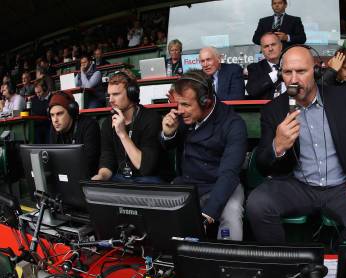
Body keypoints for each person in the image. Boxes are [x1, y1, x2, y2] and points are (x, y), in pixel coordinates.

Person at [246, 45, 346, 242]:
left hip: (343, 187)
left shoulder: (343, 98)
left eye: (301, 71)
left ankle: (334, 258)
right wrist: (277, 146)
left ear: (316, 70)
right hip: (297, 186)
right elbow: (262, 163)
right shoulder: (273, 110)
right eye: (287, 72)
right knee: (257, 204)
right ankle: (282, 266)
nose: (294, 79)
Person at [161, 71, 247, 240]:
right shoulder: (185, 118)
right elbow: (167, 145)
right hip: (188, 183)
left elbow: (229, 174)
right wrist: (168, 133)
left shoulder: (233, 124)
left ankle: (227, 261)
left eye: (186, 104)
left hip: (221, 184)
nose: (180, 111)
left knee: (232, 212)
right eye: (178, 104)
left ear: (205, 101)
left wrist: (207, 214)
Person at [92, 71, 170, 183]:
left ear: (131, 93)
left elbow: (145, 168)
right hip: (121, 179)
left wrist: (122, 134)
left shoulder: (151, 119)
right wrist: (101, 176)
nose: (111, 100)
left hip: (150, 180)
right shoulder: (107, 123)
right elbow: (107, 159)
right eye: (109, 95)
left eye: (116, 94)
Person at [48, 91, 101, 177]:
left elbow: (89, 163)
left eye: (59, 114)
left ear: (71, 111)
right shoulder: (54, 129)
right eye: (52, 115)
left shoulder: (89, 125)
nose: (55, 120)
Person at [246, 32, 284, 100]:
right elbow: (252, 91)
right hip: (268, 108)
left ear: (281, 46)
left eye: (273, 44)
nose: (270, 49)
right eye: (266, 46)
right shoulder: (255, 68)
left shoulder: (293, 65)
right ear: (262, 50)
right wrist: (277, 73)